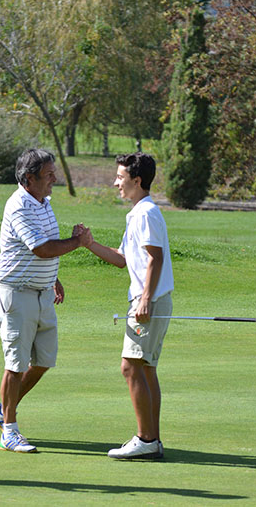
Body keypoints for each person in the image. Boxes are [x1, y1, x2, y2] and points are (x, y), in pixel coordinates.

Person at [0, 148, 92, 453]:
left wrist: (53, 277)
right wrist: (78, 243)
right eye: (49, 175)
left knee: (44, 361)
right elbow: (41, 249)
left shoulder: (43, 202)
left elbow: (45, 248)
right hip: (16, 294)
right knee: (15, 365)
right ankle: (9, 431)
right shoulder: (19, 205)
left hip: (42, 292)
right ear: (29, 179)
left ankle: (2, 410)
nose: (55, 180)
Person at [79, 152, 173, 460]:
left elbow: (155, 258)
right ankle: (152, 439)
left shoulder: (145, 213)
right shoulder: (138, 213)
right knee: (144, 369)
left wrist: (145, 298)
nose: (115, 182)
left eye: (120, 178)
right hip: (152, 298)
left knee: (130, 366)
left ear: (137, 180)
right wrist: (89, 244)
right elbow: (122, 259)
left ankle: (145, 439)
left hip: (150, 300)